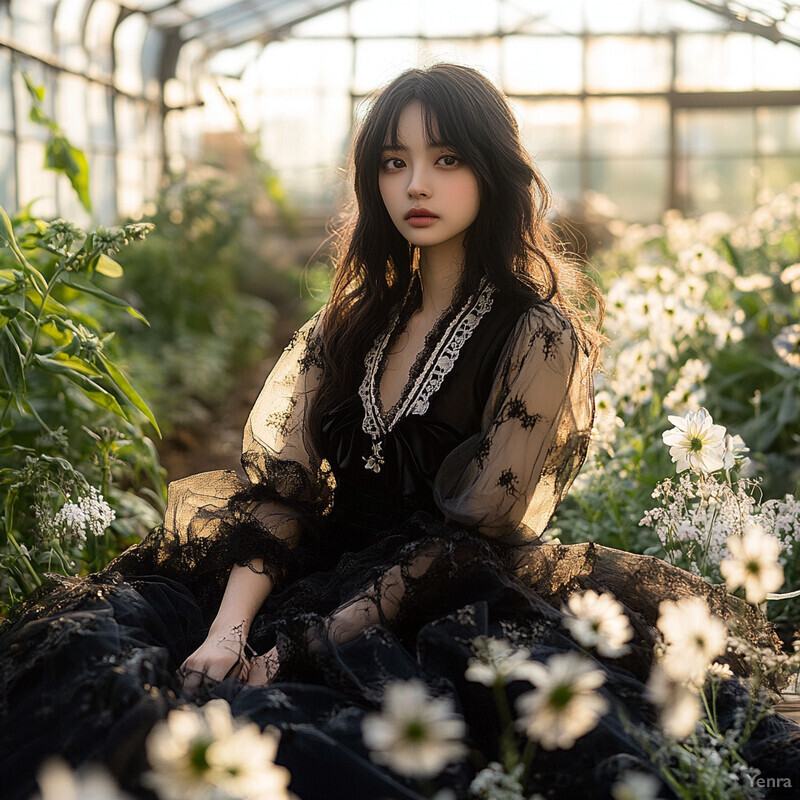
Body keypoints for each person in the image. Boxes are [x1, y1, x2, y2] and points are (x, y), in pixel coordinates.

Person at [0, 63, 797, 800]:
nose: (416, 183)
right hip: (307, 571)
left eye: (446, 158)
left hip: (435, 603)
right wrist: (227, 630)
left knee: (319, 743)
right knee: (107, 669)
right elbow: (284, 497)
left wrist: (299, 649)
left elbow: (470, 542)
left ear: (493, 169)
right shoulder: (349, 322)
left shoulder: (537, 335)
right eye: (393, 161)